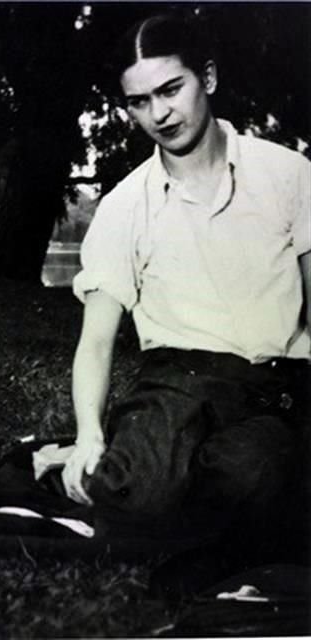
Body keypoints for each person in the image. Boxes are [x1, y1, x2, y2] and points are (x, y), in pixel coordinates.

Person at [60, 13, 309, 554]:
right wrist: (88, 434)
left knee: (252, 473)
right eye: (139, 101)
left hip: (275, 387)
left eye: (171, 89)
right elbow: (97, 340)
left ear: (209, 78)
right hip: (177, 385)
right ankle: (129, 465)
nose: (160, 114)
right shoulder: (125, 205)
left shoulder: (289, 175)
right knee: (138, 492)